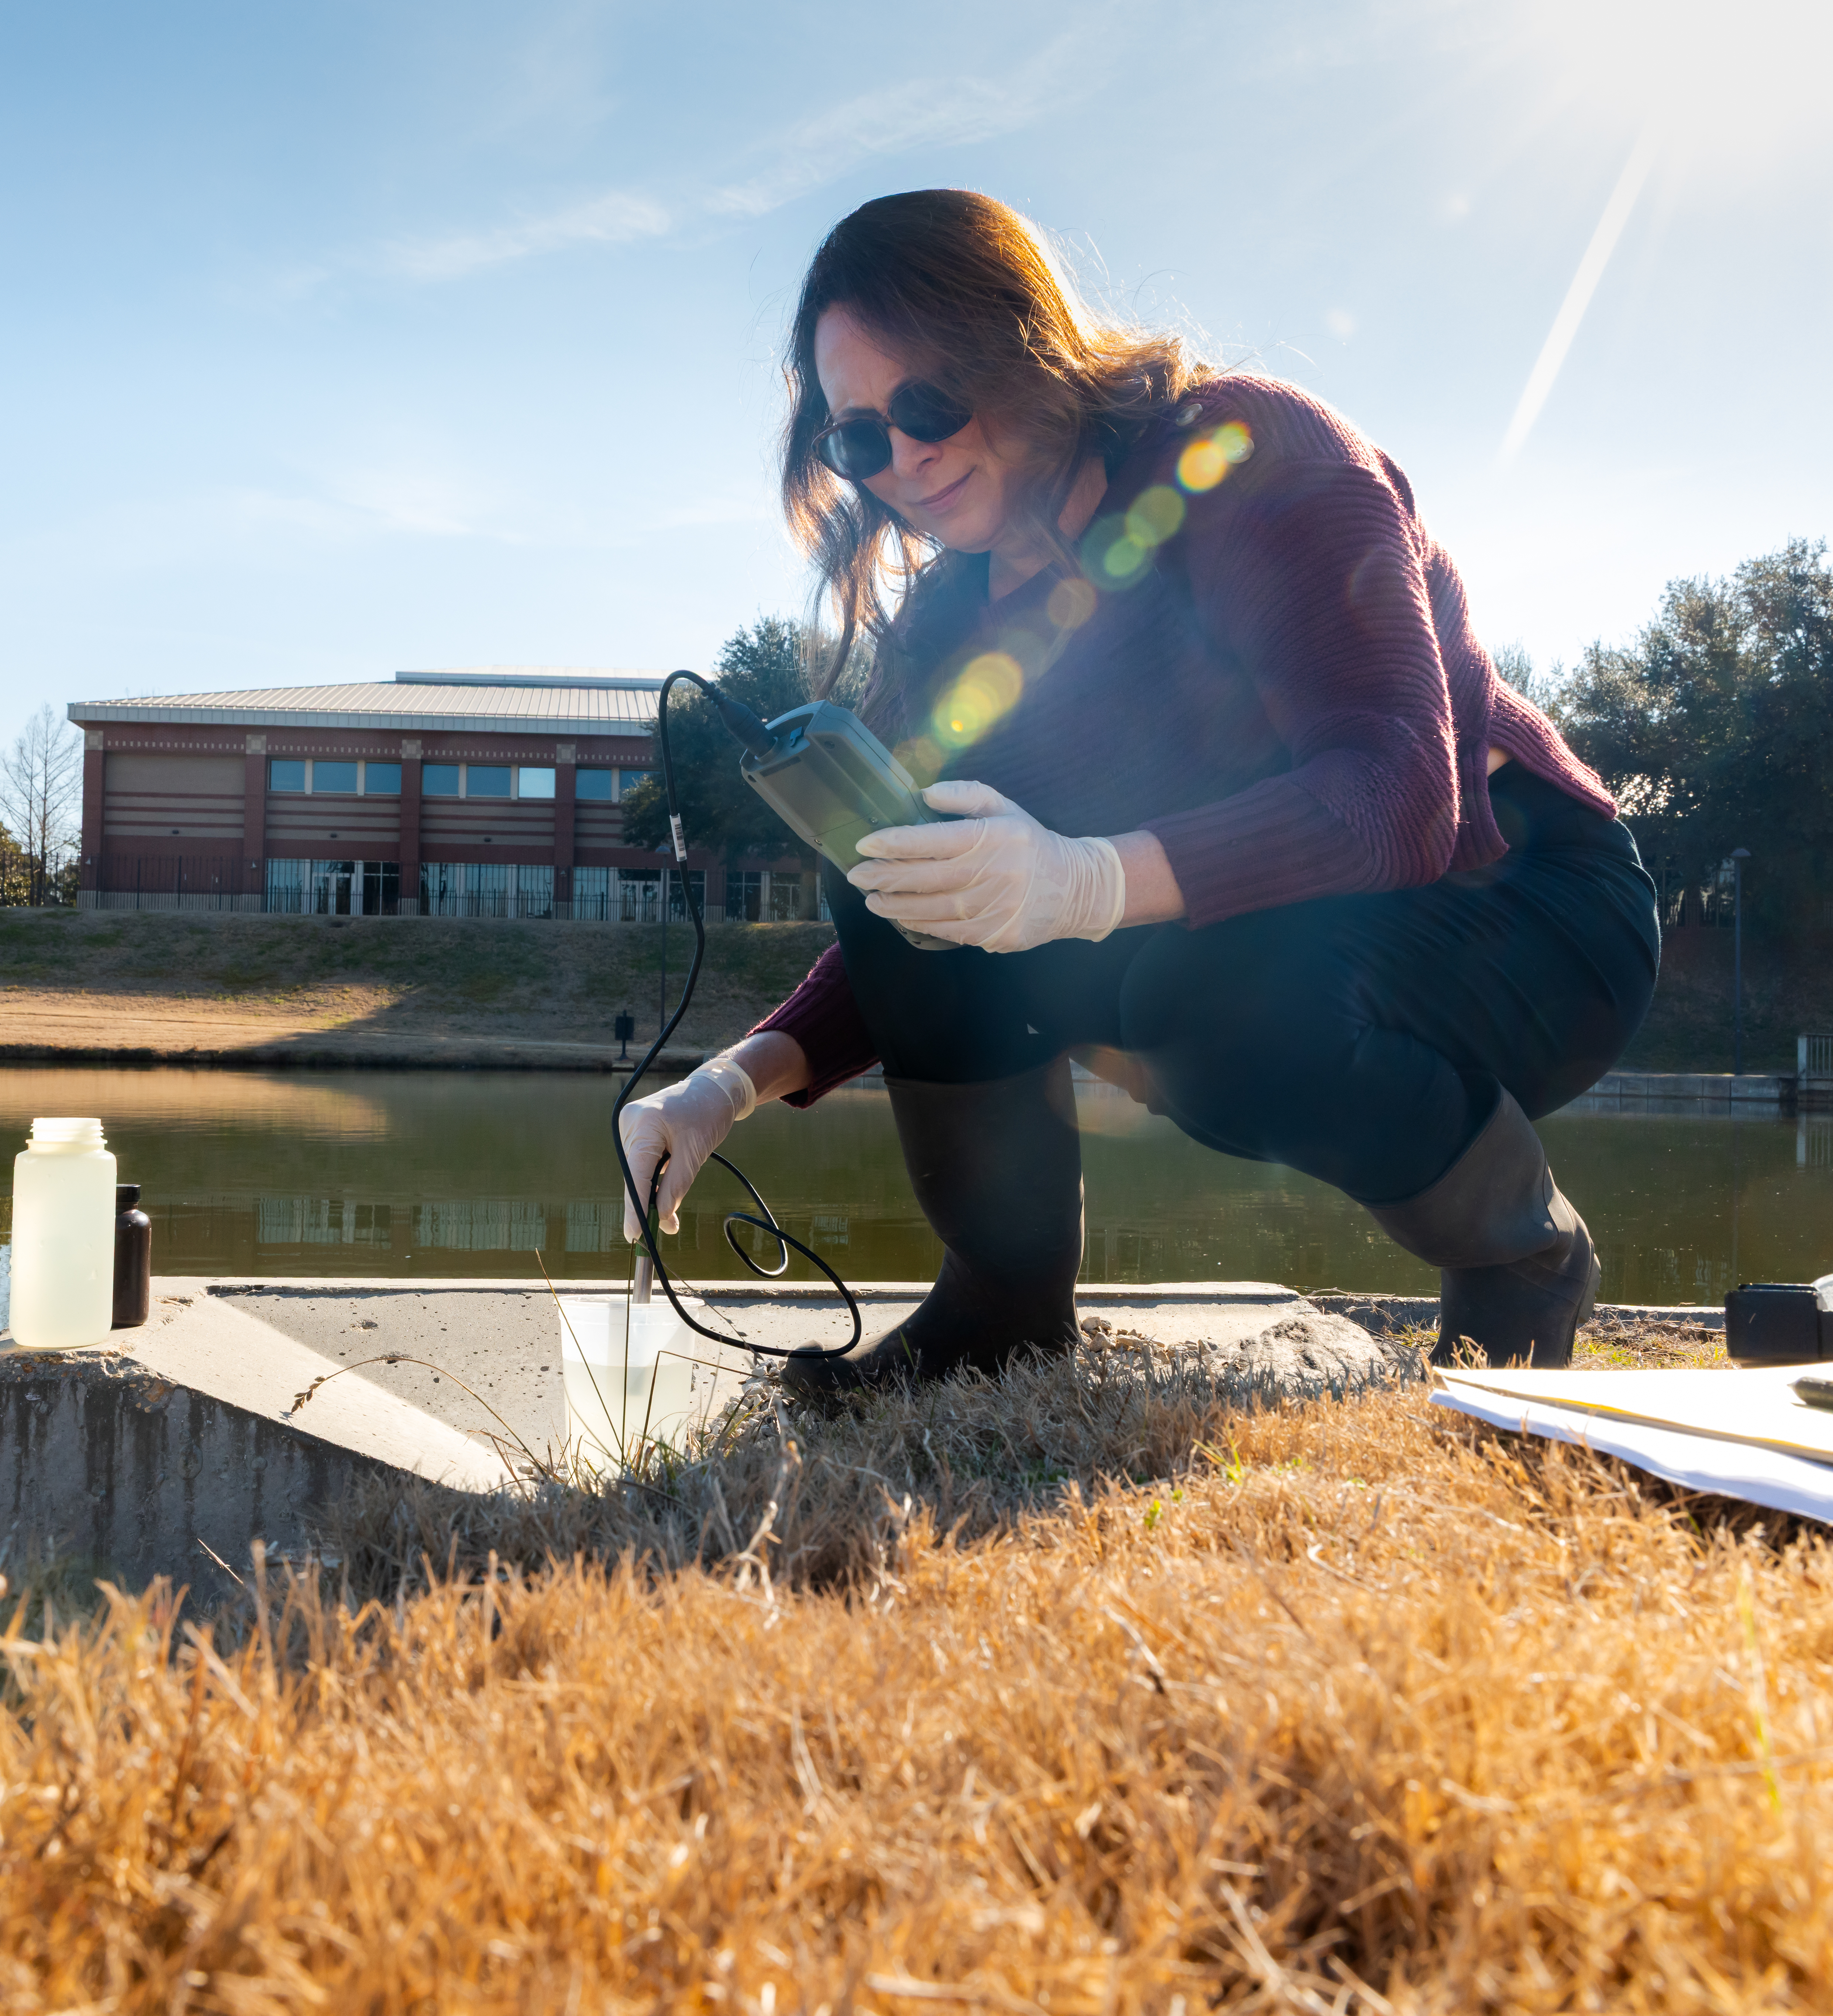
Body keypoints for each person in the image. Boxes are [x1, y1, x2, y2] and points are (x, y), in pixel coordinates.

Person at [618, 189, 1658, 1390]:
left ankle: (1522, 1254)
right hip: (1269, 937)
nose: (903, 458)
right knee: (896, 869)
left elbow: (1401, 792)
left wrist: (1086, 881)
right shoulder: (954, 616)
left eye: (930, 402)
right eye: (859, 437)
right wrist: (722, 1089)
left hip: (1523, 916)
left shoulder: (1242, 450)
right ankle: (1002, 1310)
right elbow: (931, 913)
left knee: (1196, 993)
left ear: (1024, 351)